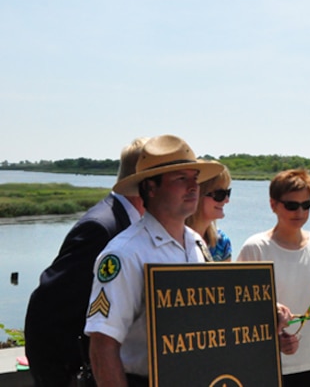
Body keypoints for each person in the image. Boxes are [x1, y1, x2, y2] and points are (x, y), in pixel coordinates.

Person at [84, 134, 225, 386]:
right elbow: (103, 345)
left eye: (195, 178)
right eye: (181, 179)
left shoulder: (197, 244)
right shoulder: (124, 254)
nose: (194, 187)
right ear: (150, 187)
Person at [24, 137, 148, 387]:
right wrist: (57, 379)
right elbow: (47, 310)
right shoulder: (101, 228)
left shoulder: (129, 222)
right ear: (147, 183)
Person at [237, 169, 310, 387]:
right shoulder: (255, 247)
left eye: (306, 205)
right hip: (273, 365)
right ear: (273, 205)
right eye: (291, 205)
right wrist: (273, 336)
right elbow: (240, 306)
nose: (299, 211)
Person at [185, 166, 233, 261]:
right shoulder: (175, 241)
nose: (227, 200)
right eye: (220, 194)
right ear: (198, 195)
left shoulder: (222, 242)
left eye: (228, 193)